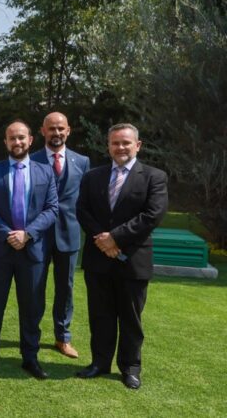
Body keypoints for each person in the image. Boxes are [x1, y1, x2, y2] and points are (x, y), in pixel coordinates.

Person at [75, 123, 167, 390]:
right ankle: (99, 363)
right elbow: (83, 210)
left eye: (126, 143)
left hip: (133, 260)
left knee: (130, 318)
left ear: (137, 145)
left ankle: (130, 368)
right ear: (108, 146)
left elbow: (152, 215)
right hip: (98, 259)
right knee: (100, 315)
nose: (121, 147)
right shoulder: (93, 176)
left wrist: (115, 238)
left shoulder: (154, 176)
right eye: (115, 143)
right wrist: (103, 241)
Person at [0, 120, 58, 379]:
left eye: (21, 137)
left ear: (31, 140)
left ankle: (30, 358)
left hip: (32, 252)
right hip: (0, 249)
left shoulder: (45, 171)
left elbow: (52, 208)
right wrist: (8, 234)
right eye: (12, 138)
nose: (17, 142)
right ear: (6, 142)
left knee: (32, 307)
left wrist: (28, 234)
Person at [31, 112, 90, 358]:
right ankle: (30, 336)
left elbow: (86, 198)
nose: (56, 133)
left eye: (61, 129)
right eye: (51, 128)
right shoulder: (30, 160)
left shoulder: (82, 162)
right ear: (42, 131)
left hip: (69, 234)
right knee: (34, 288)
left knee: (65, 288)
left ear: (68, 131)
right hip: (38, 235)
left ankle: (62, 338)